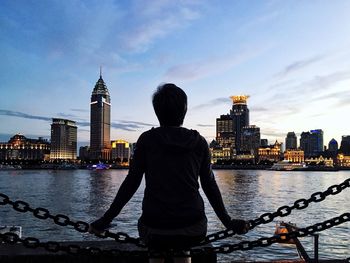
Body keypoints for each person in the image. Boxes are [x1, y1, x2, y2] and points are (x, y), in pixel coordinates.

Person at [89, 83, 249, 263]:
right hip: (192, 226)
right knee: (184, 249)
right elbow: (209, 185)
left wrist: (105, 219)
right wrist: (228, 222)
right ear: (185, 109)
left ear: (156, 111)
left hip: (154, 226)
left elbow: (131, 183)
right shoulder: (199, 142)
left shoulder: (147, 140)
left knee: (156, 248)